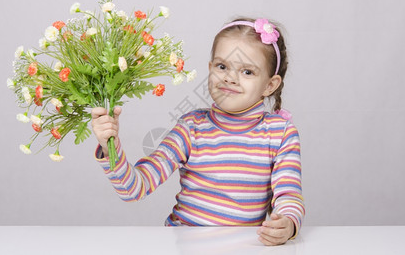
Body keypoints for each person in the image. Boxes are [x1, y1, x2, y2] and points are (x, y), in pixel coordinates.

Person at [91, 17, 305, 246]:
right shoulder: (191, 127)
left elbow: (288, 194)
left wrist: (288, 224)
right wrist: (109, 145)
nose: (230, 78)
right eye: (222, 66)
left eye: (247, 72)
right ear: (210, 68)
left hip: (245, 247)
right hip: (186, 245)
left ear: (269, 85)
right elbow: (134, 188)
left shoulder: (280, 133)